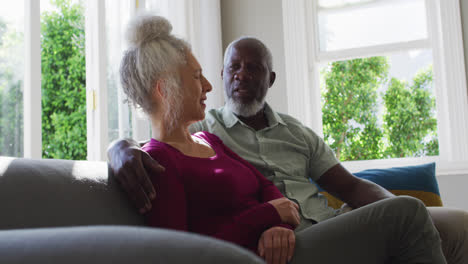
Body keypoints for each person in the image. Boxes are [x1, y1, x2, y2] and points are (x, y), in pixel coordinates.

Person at [112, 14, 448, 264]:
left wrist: (280, 217)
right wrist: (268, 218)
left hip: (299, 231)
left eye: (253, 69)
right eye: (199, 77)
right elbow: (180, 252)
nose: (211, 87)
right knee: (408, 213)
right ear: (164, 88)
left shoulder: (209, 141)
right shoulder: (165, 158)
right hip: (270, 253)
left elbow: (266, 186)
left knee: (433, 221)